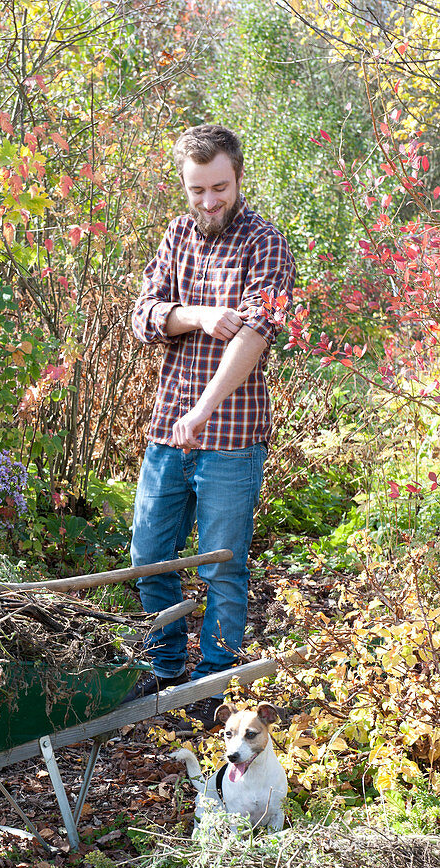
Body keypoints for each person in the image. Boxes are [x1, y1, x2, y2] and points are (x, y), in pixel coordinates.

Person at [125, 124, 296, 728]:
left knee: (222, 564)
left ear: (238, 177)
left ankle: (212, 685)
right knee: (149, 553)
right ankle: (168, 667)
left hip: (230, 437)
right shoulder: (176, 236)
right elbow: (145, 316)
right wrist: (197, 314)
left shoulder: (266, 244)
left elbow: (254, 334)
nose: (208, 202)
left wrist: (203, 410)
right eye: (197, 190)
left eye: (218, 188)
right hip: (169, 429)